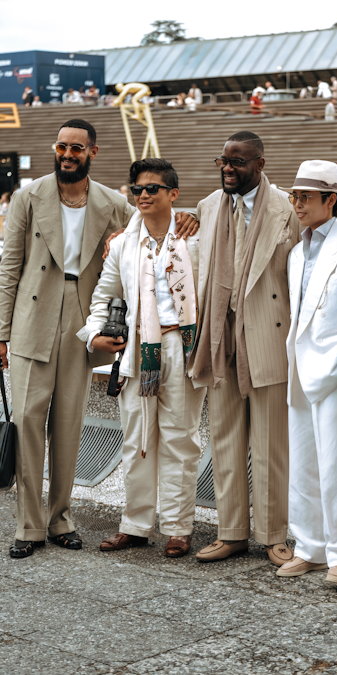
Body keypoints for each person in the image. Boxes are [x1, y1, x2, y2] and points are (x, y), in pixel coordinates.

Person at [0, 119, 135, 558]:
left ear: (92, 152)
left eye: (77, 148)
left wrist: (186, 220)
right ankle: (29, 525)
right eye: (62, 147)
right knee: (28, 422)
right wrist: (1, 333)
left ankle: (61, 518)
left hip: (83, 315)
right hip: (32, 316)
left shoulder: (113, 203)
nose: (68, 155)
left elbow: (148, 232)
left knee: (68, 423)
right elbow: (9, 265)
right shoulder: (29, 196)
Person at [78, 158, 205, 558]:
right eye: (137, 189)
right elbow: (104, 295)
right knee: (136, 440)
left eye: (152, 188)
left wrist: (197, 218)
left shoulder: (195, 239)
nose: (144, 195)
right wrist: (94, 333)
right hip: (138, 349)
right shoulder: (123, 244)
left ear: (173, 194)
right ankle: (134, 525)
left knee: (181, 440)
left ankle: (178, 528)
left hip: (183, 347)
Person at [191, 131, 299, 566]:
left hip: (269, 337)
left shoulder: (288, 208)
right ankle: (231, 532)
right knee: (225, 440)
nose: (228, 169)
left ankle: (274, 535)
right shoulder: (207, 207)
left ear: (260, 164)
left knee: (271, 445)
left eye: (237, 162)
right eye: (223, 161)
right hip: (220, 339)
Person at [276, 160, 337, 585]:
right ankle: (310, 548)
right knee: (302, 465)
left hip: (335, 374)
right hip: (299, 370)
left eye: (305, 197)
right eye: (294, 196)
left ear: (331, 199)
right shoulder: (297, 253)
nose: (297, 204)